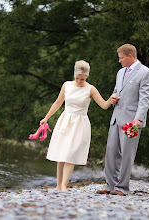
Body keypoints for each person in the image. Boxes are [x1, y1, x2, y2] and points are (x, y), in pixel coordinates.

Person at [40, 60, 117, 191]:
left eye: (82, 79)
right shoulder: (67, 85)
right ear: (74, 75)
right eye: (77, 78)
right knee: (61, 153)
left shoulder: (90, 89)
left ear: (86, 76)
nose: (79, 81)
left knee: (71, 153)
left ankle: (64, 185)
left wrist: (111, 100)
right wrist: (46, 117)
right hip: (65, 120)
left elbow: (104, 105)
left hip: (80, 123)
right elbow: (58, 103)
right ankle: (58, 185)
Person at [96, 44, 149, 196]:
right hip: (116, 119)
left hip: (131, 122)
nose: (119, 61)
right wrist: (113, 98)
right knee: (111, 153)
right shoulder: (120, 72)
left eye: (121, 58)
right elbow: (117, 91)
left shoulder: (145, 73)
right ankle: (110, 186)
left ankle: (122, 188)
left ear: (130, 56)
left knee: (127, 155)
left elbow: (145, 99)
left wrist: (138, 119)